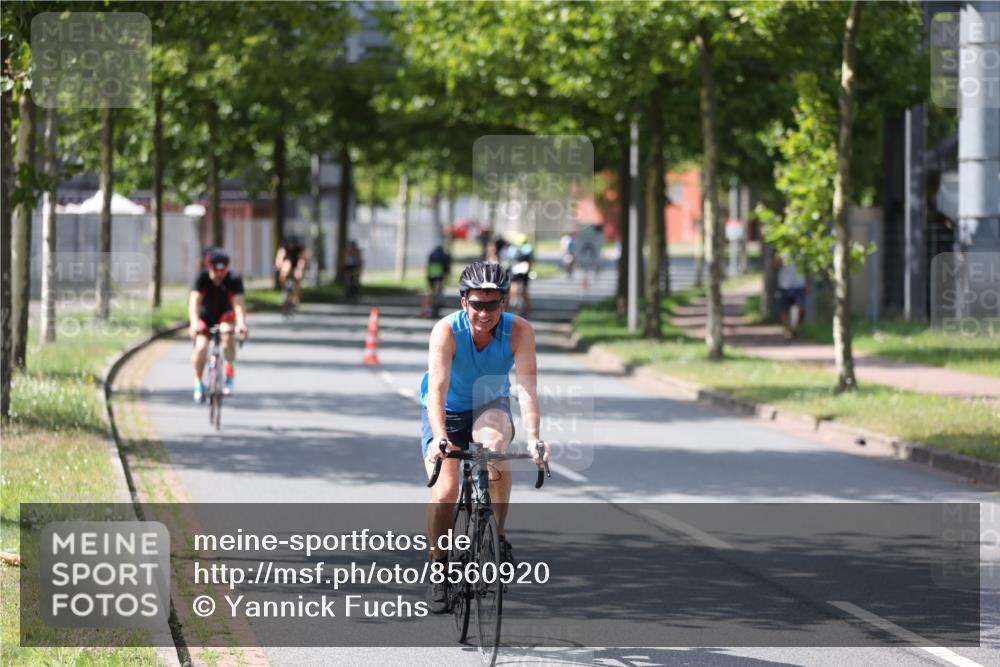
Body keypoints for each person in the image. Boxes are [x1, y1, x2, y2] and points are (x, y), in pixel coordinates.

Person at [420, 261, 550, 613]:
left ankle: (499, 536)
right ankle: (438, 564)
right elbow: (438, 389)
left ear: (504, 304)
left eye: (492, 305)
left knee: (494, 451)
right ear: (464, 302)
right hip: (446, 409)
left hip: (490, 402)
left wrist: (535, 438)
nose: (484, 312)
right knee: (445, 491)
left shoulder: (520, 331)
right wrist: (439, 438)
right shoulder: (446, 331)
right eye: (476, 304)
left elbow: (526, 389)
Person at [189, 249, 248, 402]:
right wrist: (194, 323)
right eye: (216, 271)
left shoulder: (234, 279)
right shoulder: (201, 277)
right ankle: (198, 382)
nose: (220, 275)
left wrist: (241, 324)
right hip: (205, 317)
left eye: (223, 271)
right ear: (210, 267)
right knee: (201, 347)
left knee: (227, 334)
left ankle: (229, 375)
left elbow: (239, 305)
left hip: (225, 316)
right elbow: (194, 302)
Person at [774, 254, 807, 341]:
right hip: (784, 285)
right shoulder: (782, 251)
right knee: (785, 310)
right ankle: (787, 331)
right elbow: (775, 265)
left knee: (801, 308)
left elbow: (807, 268)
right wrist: (778, 259)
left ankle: (796, 328)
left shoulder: (802, 250)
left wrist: (808, 282)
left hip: (799, 285)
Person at [504, 233, 534, 315]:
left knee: (513, 285)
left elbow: (508, 258)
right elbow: (531, 261)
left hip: (515, 270)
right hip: (525, 270)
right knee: (525, 288)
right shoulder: (529, 248)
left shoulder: (513, 248)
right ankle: (527, 307)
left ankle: (513, 302)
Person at [274, 236, 308, 307]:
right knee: (285, 268)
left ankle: (296, 297)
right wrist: (278, 265)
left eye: (292, 245)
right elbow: (280, 257)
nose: (291, 246)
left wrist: (299, 270)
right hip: (288, 262)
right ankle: (284, 289)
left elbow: (301, 260)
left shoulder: (299, 248)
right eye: (289, 245)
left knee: (298, 277)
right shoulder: (283, 248)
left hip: (296, 263)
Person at [421, 244, 452, 318]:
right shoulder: (445, 255)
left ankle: (427, 308)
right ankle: (439, 302)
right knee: (439, 290)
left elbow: (428, 265)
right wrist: (447, 275)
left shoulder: (432, 254)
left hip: (431, 274)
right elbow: (447, 266)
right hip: (440, 275)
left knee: (430, 291)